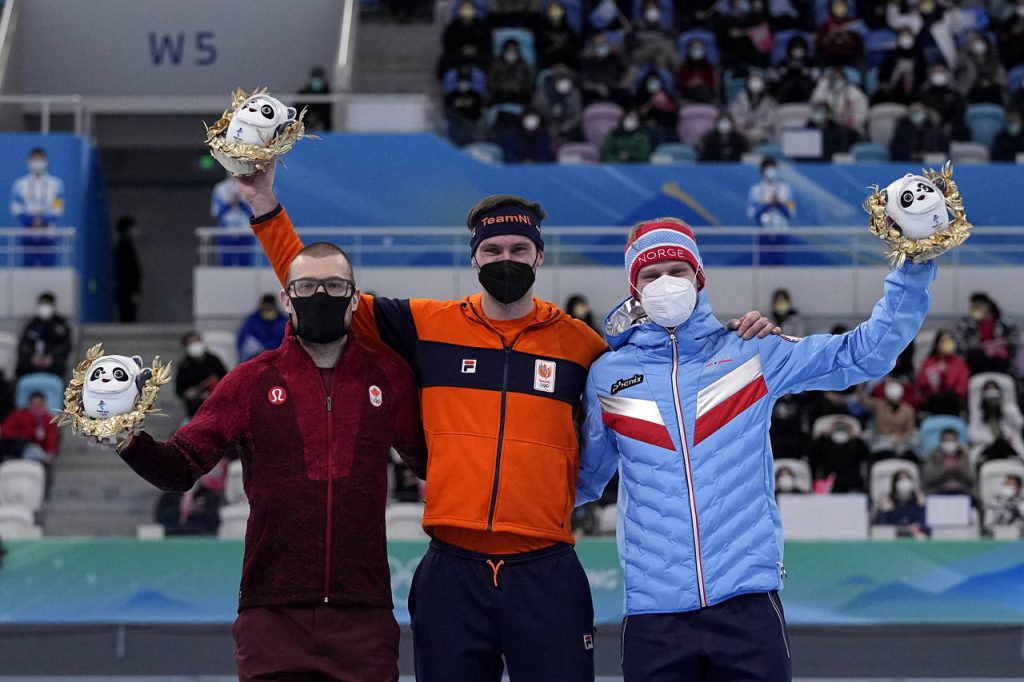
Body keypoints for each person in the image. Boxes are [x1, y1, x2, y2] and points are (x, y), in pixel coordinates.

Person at [240, 161, 776, 682]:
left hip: (546, 572)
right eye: (493, 250)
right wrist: (264, 204)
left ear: (539, 255)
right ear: (474, 258)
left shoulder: (583, 347)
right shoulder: (427, 326)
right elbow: (319, 294)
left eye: (519, 249)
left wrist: (727, 337)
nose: (506, 258)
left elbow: (664, 364)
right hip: (452, 573)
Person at [577, 217, 935, 680]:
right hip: (653, 613)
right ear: (634, 289)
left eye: (678, 271)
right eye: (651, 274)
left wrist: (914, 265)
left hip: (747, 605)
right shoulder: (608, 376)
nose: (666, 282)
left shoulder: (752, 352)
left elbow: (863, 354)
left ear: (699, 278)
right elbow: (582, 479)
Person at [103, 242, 426, 681]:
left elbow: (430, 461)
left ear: (355, 299)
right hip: (271, 616)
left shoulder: (389, 377)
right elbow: (180, 467)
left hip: (363, 617)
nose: (320, 296)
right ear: (287, 299)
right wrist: (125, 438)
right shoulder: (250, 381)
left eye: (334, 286)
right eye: (307, 287)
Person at [10, 148, 64, 267]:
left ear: (46, 161)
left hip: (48, 232)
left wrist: (44, 220)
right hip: (27, 232)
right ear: (29, 161)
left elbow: (58, 209)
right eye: (35, 159)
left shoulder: (56, 184)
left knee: (49, 269)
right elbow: (16, 209)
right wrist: (31, 220)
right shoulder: (20, 185)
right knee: (27, 269)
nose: (37, 162)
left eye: (40, 159)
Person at [956, 292, 1017, 375]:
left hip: (999, 358)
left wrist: (1001, 343)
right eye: (973, 307)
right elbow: (959, 343)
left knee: (1001, 360)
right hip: (977, 357)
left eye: (978, 306)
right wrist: (971, 344)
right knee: (977, 357)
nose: (975, 309)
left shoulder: (1005, 322)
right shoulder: (966, 322)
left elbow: (1015, 339)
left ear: (987, 306)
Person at [16, 292, 71, 380]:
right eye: (42, 304)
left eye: (47, 304)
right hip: (31, 366)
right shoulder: (32, 325)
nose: (44, 307)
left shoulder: (61, 326)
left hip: (54, 366)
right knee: (21, 367)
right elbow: (23, 346)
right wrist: (32, 358)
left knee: (60, 366)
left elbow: (66, 347)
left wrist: (52, 359)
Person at [175, 331, 228, 419]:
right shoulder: (184, 365)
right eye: (191, 343)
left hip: (216, 408)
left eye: (197, 341)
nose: (195, 345)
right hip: (194, 412)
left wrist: (212, 393)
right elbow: (179, 390)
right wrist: (189, 393)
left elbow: (226, 380)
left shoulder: (213, 360)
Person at [810, 417, 873, 492]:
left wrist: (857, 439)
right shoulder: (824, 443)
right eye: (837, 428)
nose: (840, 431)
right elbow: (811, 456)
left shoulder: (856, 444)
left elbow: (868, 456)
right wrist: (822, 437)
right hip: (827, 484)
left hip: (852, 483)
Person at [969, 379, 1024, 463]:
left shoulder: (1008, 409)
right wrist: (990, 439)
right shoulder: (978, 412)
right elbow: (972, 434)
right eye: (989, 390)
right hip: (988, 445)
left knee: (1004, 446)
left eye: (994, 389)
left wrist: (1005, 407)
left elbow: (1019, 424)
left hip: (1009, 444)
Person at [916, 329, 969, 415]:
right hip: (932, 404)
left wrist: (945, 374)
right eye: (943, 341)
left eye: (949, 341)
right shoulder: (928, 363)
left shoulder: (960, 364)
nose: (946, 344)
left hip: (952, 404)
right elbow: (921, 385)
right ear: (937, 344)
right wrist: (936, 371)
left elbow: (962, 388)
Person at [438, 0, 492, 79]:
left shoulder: (482, 26)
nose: (467, 11)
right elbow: (448, 43)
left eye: (469, 8)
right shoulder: (452, 27)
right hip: (457, 55)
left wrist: (475, 49)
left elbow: (487, 42)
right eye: (464, 8)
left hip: (478, 55)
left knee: (487, 60)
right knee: (446, 60)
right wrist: (461, 49)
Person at [865, 379, 917, 460]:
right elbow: (864, 401)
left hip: (901, 440)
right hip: (882, 438)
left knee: (909, 451)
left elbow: (910, 429)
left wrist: (901, 437)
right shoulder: (878, 406)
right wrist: (860, 387)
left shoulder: (908, 410)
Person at [211, 172, 255, 267]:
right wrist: (229, 203)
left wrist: (241, 203)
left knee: (246, 264)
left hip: (245, 233)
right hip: (226, 232)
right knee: (225, 264)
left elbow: (253, 213)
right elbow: (216, 212)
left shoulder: (249, 187)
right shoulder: (220, 188)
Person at [872, 29, 928, 104]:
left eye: (908, 35)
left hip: (915, 92)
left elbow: (923, 75)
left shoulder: (919, 54)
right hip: (895, 91)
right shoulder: (891, 54)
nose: (905, 39)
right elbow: (883, 75)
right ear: (898, 38)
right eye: (903, 35)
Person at [0, 392, 58, 464]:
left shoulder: (48, 419)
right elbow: (5, 431)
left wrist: (50, 451)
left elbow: (51, 439)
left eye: (39, 405)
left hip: (36, 451)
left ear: (44, 405)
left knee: (35, 450)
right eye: (34, 405)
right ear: (29, 404)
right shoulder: (17, 415)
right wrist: (23, 437)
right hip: (16, 447)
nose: (37, 408)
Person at [532, 64, 583, 144]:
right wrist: (550, 128)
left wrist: (562, 128)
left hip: (567, 129)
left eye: (565, 78)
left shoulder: (575, 94)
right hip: (545, 128)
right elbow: (535, 113)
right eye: (559, 77)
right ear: (554, 79)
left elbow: (577, 116)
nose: (563, 80)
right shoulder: (541, 94)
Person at [810, 68, 869, 136]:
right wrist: (823, 84)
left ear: (845, 80)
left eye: (838, 79)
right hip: (827, 128)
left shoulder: (855, 94)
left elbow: (861, 115)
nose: (835, 81)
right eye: (833, 79)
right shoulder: (823, 89)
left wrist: (850, 124)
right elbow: (815, 104)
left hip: (850, 129)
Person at [955, 33, 1007, 104]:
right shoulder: (963, 61)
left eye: (979, 40)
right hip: (973, 93)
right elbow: (962, 87)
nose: (977, 43)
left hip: (994, 92)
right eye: (974, 41)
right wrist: (971, 68)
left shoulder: (993, 57)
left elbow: (1002, 79)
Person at [922, 428, 976, 496]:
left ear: (957, 441)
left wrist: (960, 468)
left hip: (962, 493)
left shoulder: (964, 455)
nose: (950, 443)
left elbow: (972, 479)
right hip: (937, 493)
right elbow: (927, 479)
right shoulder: (933, 456)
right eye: (947, 441)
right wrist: (945, 469)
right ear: (941, 441)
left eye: (952, 440)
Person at [874, 471, 928, 538]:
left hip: (914, 538)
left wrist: (922, 507)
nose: (904, 482)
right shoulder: (889, 502)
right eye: (900, 479)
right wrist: (884, 511)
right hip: (893, 538)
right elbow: (879, 527)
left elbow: (926, 525)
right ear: (895, 484)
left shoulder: (917, 502)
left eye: (906, 479)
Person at [729, 72, 778, 144]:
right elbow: (734, 114)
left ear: (763, 85)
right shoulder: (740, 98)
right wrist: (744, 125)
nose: (755, 84)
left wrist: (755, 125)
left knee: (757, 134)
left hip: (761, 132)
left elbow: (770, 120)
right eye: (753, 81)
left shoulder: (769, 102)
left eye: (758, 81)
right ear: (748, 83)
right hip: (742, 130)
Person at [747, 157, 796, 229]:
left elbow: (792, 212)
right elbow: (751, 214)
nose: (770, 171)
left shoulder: (786, 189)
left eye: (773, 168)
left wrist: (779, 204)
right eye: (767, 168)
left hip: (782, 230)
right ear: (762, 171)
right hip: (763, 231)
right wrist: (767, 204)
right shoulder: (755, 190)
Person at [237, 294, 288, 362]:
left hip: (278, 355)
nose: (269, 311)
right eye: (267, 309)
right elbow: (243, 339)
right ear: (262, 306)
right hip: (256, 355)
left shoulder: (283, 321)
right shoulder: (253, 320)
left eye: (270, 309)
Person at [814, 0, 864, 67]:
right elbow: (820, 45)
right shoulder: (825, 24)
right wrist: (831, 35)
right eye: (836, 7)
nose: (840, 10)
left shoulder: (852, 24)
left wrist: (846, 36)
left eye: (842, 7)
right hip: (829, 59)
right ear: (831, 9)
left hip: (849, 59)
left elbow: (858, 46)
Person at [772, 35, 819, 104]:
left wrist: (805, 70)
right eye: (795, 48)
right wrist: (785, 70)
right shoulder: (784, 62)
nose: (798, 51)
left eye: (800, 48)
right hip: (785, 98)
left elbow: (816, 77)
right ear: (790, 49)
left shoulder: (810, 62)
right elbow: (774, 77)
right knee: (792, 81)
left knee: (799, 81)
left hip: (806, 95)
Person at [537, 1, 582, 71]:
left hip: (568, 68)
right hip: (547, 67)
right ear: (547, 12)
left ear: (563, 11)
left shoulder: (569, 31)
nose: (555, 12)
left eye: (557, 9)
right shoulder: (541, 31)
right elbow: (539, 50)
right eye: (552, 9)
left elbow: (575, 50)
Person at [489, 38, 535, 105]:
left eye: (514, 50)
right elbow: (491, 81)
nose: (511, 52)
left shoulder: (523, 64)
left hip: (520, 95)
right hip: (500, 95)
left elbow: (529, 81)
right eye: (509, 50)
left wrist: (520, 89)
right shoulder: (497, 64)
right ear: (504, 50)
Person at [114, 216, 143, 323]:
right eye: (134, 228)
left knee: (128, 316)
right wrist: (134, 290)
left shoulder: (125, 246)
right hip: (127, 290)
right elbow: (128, 271)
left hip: (126, 290)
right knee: (128, 317)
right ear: (128, 229)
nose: (137, 230)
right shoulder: (124, 247)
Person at [675, 37, 718, 104]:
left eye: (699, 48)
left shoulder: (709, 66)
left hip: (706, 97)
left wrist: (701, 82)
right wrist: (689, 83)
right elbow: (679, 85)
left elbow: (712, 84)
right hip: (687, 98)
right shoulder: (683, 67)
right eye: (694, 49)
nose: (697, 51)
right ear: (689, 50)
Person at [296, 65, 332, 131]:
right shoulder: (303, 93)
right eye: (315, 78)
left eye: (319, 78)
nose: (317, 81)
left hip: (325, 129)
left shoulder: (328, 94)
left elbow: (330, 115)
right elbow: (297, 112)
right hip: (305, 127)